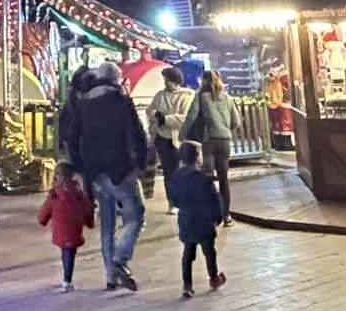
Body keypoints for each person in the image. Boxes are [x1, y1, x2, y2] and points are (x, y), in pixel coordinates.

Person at [70, 60, 147, 291]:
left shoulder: (84, 105)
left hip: (95, 173)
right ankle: (120, 260)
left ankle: (110, 277)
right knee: (135, 216)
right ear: (116, 79)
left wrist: (82, 168)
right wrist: (141, 162)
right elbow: (137, 133)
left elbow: (73, 139)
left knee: (107, 223)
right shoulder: (121, 101)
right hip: (120, 169)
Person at [167, 141, 227, 298]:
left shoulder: (175, 178)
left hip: (186, 219)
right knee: (209, 252)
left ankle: (187, 285)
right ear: (197, 158)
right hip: (204, 221)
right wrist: (218, 217)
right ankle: (214, 278)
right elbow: (214, 200)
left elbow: (173, 199)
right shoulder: (204, 178)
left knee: (188, 254)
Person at [186, 70, 236, 226]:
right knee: (224, 178)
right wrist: (226, 130)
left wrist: (184, 135)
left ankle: (211, 214)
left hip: (208, 141)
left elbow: (191, 117)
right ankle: (226, 215)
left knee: (207, 178)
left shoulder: (201, 97)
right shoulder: (227, 98)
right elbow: (236, 121)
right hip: (224, 140)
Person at [37, 161, 95, 292]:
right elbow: (87, 210)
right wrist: (90, 223)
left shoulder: (54, 195)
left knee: (66, 253)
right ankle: (67, 279)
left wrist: (42, 220)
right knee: (70, 254)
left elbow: (44, 212)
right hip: (75, 231)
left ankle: (66, 280)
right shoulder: (79, 194)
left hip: (60, 232)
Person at [146, 67, 192, 208]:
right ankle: (171, 201)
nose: (165, 82)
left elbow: (186, 118)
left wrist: (165, 119)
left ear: (175, 80)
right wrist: (155, 116)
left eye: (167, 79)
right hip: (162, 138)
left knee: (182, 171)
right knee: (168, 172)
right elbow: (150, 110)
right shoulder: (160, 95)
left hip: (179, 139)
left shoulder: (187, 96)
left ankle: (183, 200)